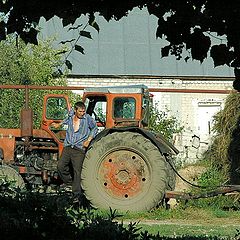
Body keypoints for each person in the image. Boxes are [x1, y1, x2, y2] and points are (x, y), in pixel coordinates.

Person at [51, 101, 98, 203]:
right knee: (60, 166)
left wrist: (88, 140)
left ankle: (76, 194)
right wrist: (58, 125)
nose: (82, 113)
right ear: (75, 111)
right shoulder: (71, 116)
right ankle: (69, 183)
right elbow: (65, 121)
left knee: (77, 171)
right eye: (80, 111)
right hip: (68, 146)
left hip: (79, 147)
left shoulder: (88, 118)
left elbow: (95, 128)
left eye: (84, 111)